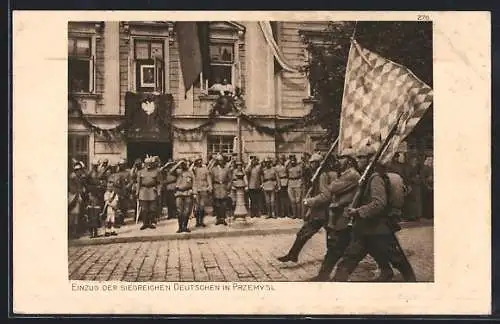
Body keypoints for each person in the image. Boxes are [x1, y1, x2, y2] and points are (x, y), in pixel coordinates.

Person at [332, 146, 417, 282]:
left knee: (397, 259)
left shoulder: (375, 177)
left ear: (371, 159)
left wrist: (358, 211)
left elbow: (379, 204)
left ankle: (412, 283)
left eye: (361, 157)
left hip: (378, 228)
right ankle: (335, 285)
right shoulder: (367, 176)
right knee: (349, 259)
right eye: (357, 157)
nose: (357, 160)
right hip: (364, 229)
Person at [277, 153, 336, 263]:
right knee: (304, 233)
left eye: (314, 163)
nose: (312, 165)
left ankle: (330, 258)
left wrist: (310, 202)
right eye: (311, 163)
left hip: (322, 211)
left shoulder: (322, 175)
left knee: (329, 235)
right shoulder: (317, 175)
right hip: (318, 211)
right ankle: (292, 255)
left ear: (319, 164)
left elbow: (325, 195)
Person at [136, 157, 162, 230]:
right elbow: (138, 183)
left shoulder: (157, 171)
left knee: (152, 208)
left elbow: (159, 183)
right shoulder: (140, 172)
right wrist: (137, 192)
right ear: (144, 164)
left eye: (150, 163)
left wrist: (158, 191)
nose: (149, 165)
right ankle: (145, 223)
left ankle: (151, 222)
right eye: (147, 163)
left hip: (152, 190)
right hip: (143, 191)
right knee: (144, 208)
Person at [210, 154, 232, 225]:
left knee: (224, 203)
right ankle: (218, 218)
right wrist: (211, 187)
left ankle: (223, 218)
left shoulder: (227, 169)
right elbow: (211, 179)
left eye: (222, 160)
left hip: (223, 186)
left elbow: (230, 179)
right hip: (216, 186)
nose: (220, 162)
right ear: (217, 161)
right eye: (219, 160)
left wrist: (228, 187)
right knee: (217, 203)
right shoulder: (213, 169)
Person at [174, 159, 195, 233]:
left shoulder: (190, 173)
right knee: (179, 210)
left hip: (188, 192)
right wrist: (178, 164)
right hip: (179, 193)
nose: (184, 165)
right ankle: (180, 227)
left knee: (187, 211)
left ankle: (185, 227)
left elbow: (194, 182)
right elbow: (171, 171)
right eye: (182, 164)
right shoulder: (178, 172)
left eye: (185, 164)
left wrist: (194, 192)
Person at [193, 155, 213, 227]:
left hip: (204, 189)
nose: (199, 161)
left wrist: (210, 186)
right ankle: (197, 222)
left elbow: (208, 178)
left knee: (202, 206)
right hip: (196, 189)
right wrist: (193, 164)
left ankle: (201, 221)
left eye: (200, 160)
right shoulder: (194, 169)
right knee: (196, 206)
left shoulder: (205, 169)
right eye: (198, 160)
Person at [68, 162, 86, 239]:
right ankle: (72, 233)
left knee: (76, 215)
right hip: (73, 197)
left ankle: (75, 232)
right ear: (76, 171)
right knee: (73, 215)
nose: (80, 172)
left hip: (76, 197)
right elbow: (73, 189)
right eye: (79, 170)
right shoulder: (73, 178)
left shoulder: (77, 177)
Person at [287, 155, 304, 219]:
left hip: (297, 182)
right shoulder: (288, 167)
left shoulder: (299, 167)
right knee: (292, 200)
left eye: (294, 160)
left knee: (298, 200)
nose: (292, 161)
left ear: (296, 161)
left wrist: (301, 183)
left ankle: (299, 215)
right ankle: (294, 214)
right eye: (291, 160)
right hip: (290, 183)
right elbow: (286, 172)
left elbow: (302, 175)